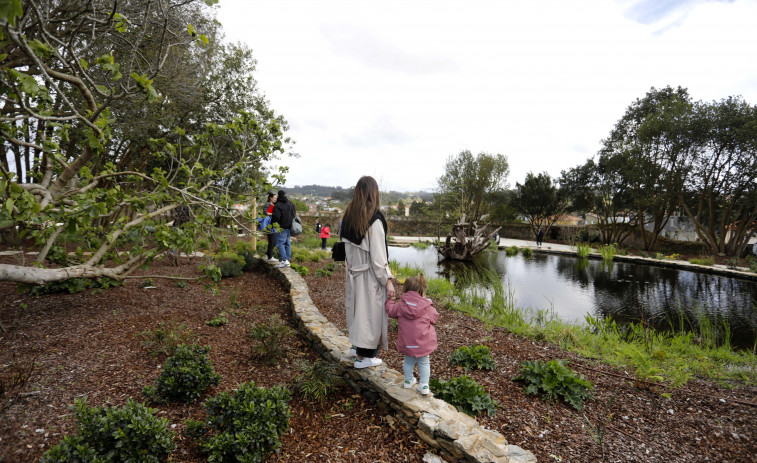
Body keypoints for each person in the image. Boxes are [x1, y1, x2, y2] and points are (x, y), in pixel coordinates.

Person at [341, 176, 395, 368]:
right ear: (374, 192)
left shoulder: (348, 216)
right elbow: (379, 259)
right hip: (368, 275)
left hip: (353, 273)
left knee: (357, 312)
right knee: (370, 316)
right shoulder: (375, 219)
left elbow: (345, 250)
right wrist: (387, 280)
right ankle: (363, 358)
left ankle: (356, 348)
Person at [385, 274, 438, 395]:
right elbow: (434, 318)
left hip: (407, 343)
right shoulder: (426, 306)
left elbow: (391, 311)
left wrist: (390, 301)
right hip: (423, 344)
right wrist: (430, 304)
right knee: (424, 362)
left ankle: (408, 381)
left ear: (406, 290)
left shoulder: (401, 305)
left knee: (408, 361)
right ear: (422, 291)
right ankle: (424, 386)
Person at [271, 189, 296, 268]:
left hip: (281, 227)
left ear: (278, 196)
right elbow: (294, 215)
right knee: (287, 243)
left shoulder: (278, 205)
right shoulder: (291, 204)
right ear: (285, 195)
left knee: (280, 243)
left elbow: (276, 217)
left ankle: (284, 260)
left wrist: (273, 224)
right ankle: (287, 260)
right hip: (290, 226)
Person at [263, 192, 277, 261]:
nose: (275, 199)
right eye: (274, 198)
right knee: (272, 241)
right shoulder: (268, 204)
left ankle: (267, 254)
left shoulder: (273, 204)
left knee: (273, 241)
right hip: (269, 224)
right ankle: (270, 257)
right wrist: (273, 214)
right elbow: (265, 212)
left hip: (271, 224)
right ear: (270, 198)